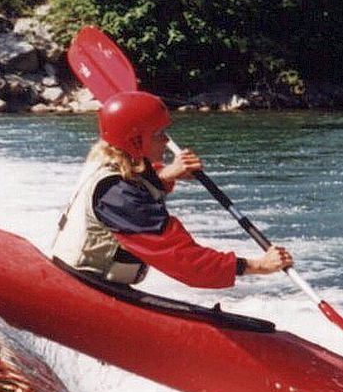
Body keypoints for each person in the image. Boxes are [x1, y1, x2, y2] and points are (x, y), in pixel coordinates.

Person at [50, 90, 292, 289]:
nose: (166, 140)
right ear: (135, 141)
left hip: (81, 275)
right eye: (158, 134)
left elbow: (136, 179)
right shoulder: (120, 195)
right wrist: (258, 266)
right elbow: (184, 260)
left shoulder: (106, 154)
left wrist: (167, 175)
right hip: (86, 283)